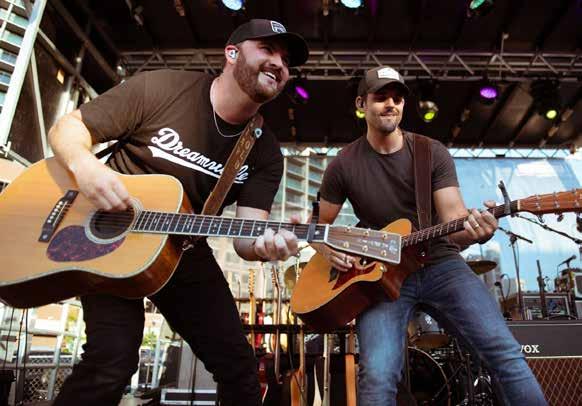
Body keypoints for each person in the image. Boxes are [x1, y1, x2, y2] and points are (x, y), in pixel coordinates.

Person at [47, 19, 309, 406]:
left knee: (240, 368)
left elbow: (247, 237)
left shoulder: (265, 152)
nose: (279, 64)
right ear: (232, 53)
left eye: (286, 60)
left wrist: (265, 246)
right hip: (106, 237)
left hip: (181, 250)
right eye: (268, 50)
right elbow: (67, 129)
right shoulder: (162, 88)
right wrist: (86, 168)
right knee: (112, 359)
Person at [314, 66, 547, 405]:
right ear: (361, 103)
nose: (391, 104)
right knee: (377, 375)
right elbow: (319, 226)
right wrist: (323, 248)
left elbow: (454, 221)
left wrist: (477, 233)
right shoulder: (343, 163)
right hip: (382, 275)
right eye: (381, 97)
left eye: (397, 98)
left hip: (440, 264)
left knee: (505, 354)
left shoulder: (430, 151)